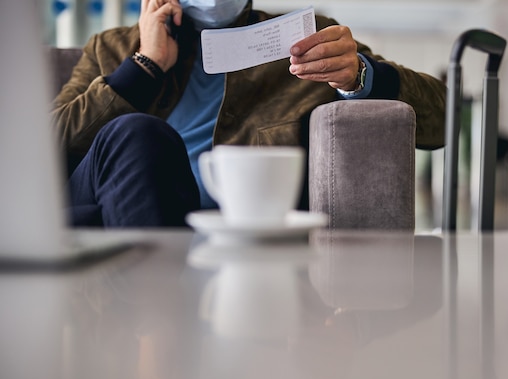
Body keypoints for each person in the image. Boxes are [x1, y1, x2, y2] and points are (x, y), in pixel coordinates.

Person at [52, 0, 446, 227]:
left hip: (242, 233)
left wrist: (360, 75)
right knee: (140, 134)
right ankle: (153, 322)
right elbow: (43, 151)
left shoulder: (301, 41)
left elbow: (441, 118)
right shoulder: (111, 48)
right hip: (122, 220)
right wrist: (143, 67)